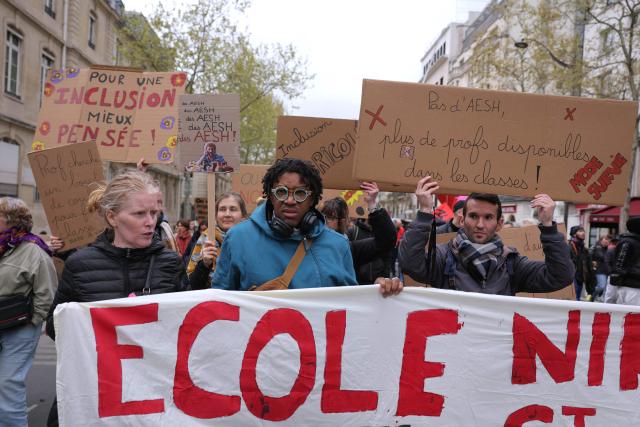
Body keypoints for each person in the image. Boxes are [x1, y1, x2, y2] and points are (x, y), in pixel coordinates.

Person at [379, 176, 574, 296]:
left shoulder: (513, 265)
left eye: (488, 217)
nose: (480, 224)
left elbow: (560, 276)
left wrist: (548, 226)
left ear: (499, 224)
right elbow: (410, 263)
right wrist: (424, 211)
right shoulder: (443, 257)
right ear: (462, 220)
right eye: (473, 216)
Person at [212, 158, 358, 290]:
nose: (289, 200)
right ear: (269, 195)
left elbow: (353, 304)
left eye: (300, 193)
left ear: (313, 199)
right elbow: (221, 303)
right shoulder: (238, 238)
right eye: (281, 192)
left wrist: (379, 294)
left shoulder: (338, 245)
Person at [0, 197, 56, 426]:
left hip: (19, 328)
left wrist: (32, 322)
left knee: (8, 382)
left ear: (12, 221)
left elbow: (47, 291)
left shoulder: (33, 250)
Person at [321, 182, 397, 285]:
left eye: (330, 217)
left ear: (342, 222)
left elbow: (386, 240)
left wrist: (372, 205)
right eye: (321, 216)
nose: (323, 221)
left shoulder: (348, 248)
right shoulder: (305, 244)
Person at [188, 192, 248, 289]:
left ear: (243, 215)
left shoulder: (252, 239)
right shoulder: (206, 239)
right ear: (216, 215)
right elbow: (192, 286)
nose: (227, 214)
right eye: (222, 209)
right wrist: (204, 264)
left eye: (233, 209)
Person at [605, 216, 640, 305]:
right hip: (630, 286)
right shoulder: (627, 242)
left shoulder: (632, 241)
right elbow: (619, 265)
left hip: (633, 285)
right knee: (631, 314)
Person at [569, 225, 596, 301]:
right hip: (571, 277)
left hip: (580, 277)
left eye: (583, 231)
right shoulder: (569, 246)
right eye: (580, 231)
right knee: (575, 299)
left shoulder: (584, 249)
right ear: (574, 234)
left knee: (577, 298)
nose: (583, 233)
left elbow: (588, 266)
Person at [591, 234, 612, 301]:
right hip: (599, 270)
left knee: (604, 288)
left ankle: (594, 297)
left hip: (607, 271)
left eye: (608, 240)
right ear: (601, 240)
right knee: (601, 286)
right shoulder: (596, 247)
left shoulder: (609, 250)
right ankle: (592, 294)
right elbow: (590, 257)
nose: (607, 241)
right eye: (605, 239)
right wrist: (592, 263)